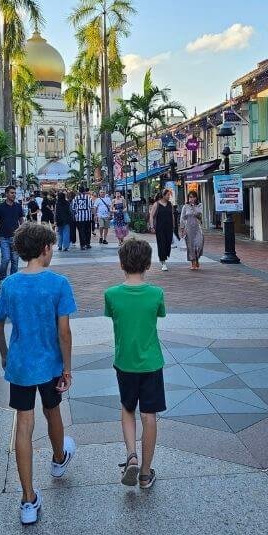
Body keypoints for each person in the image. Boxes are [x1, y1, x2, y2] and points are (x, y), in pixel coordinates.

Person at [0, 222, 77, 524]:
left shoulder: (10, 285)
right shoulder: (58, 283)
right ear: (45, 249)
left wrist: (4, 355)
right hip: (50, 363)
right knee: (53, 411)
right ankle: (57, 459)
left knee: (24, 425)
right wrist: (67, 367)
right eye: (51, 247)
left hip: (21, 365)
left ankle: (28, 499)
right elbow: (64, 332)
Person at [104, 238, 166, 489]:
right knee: (149, 415)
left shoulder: (112, 295)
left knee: (127, 408)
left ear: (121, 264)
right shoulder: (156, 294)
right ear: (148, 264)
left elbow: (113, 316)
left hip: (124, 362)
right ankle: (144, 472)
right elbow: (158, 315)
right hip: (151, 362)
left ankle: (131, 455)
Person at [0, 186, 25, 279]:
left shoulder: (18, 206)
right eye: (12, 193)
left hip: (15, 238)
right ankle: (3, 279)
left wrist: (23, 235)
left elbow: (21, 221)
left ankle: (13, 279)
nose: (14, 195)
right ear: (6, 194)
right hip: (4, 238)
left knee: (15, 260)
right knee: (6, 259)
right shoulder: (0, 207)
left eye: (15, 193)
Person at [180, 191, 205, 270]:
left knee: (199, 244)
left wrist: (194, 207)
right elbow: (182, 218)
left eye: (193, 197)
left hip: (197, 228)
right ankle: (193, 263)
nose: (192, 199)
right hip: (189, 228)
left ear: (196, 197)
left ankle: (197, 258)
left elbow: (200, 216)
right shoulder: (185, 206)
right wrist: (182, 228)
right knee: (190, 246)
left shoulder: (199, 205)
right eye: (190, 197)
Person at [152, 188, 175, 271]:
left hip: (169, 227)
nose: (169, 196)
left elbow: (172, 215)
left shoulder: (170, 204)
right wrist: (152, 226)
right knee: (161, 243)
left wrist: (173, 225)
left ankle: (163, 257)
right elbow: (151, 216)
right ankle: (163, 262)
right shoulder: (157, 204)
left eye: (170, 195)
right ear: (163, 195)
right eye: (168, 195)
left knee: (168, 243)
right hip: (160, 227)